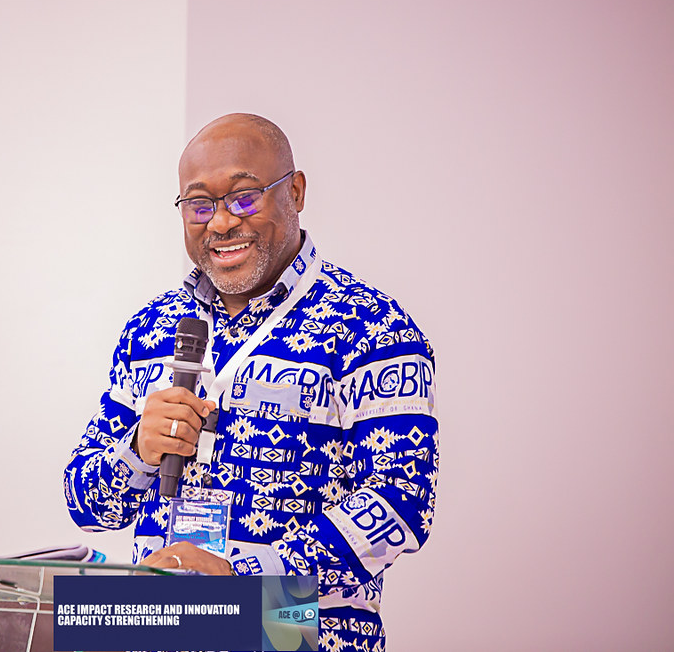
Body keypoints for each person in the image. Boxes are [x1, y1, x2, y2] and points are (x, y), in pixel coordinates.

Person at [64, 113, 438, 652]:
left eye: (243, 198)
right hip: (151, 625)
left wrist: (239, 574)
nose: (219, 223)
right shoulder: (152, 328)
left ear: (296, 191)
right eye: (199, 205)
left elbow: (403, 505)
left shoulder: (371, 326)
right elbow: (86, 505)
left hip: (295, 629)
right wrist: (138, 452)